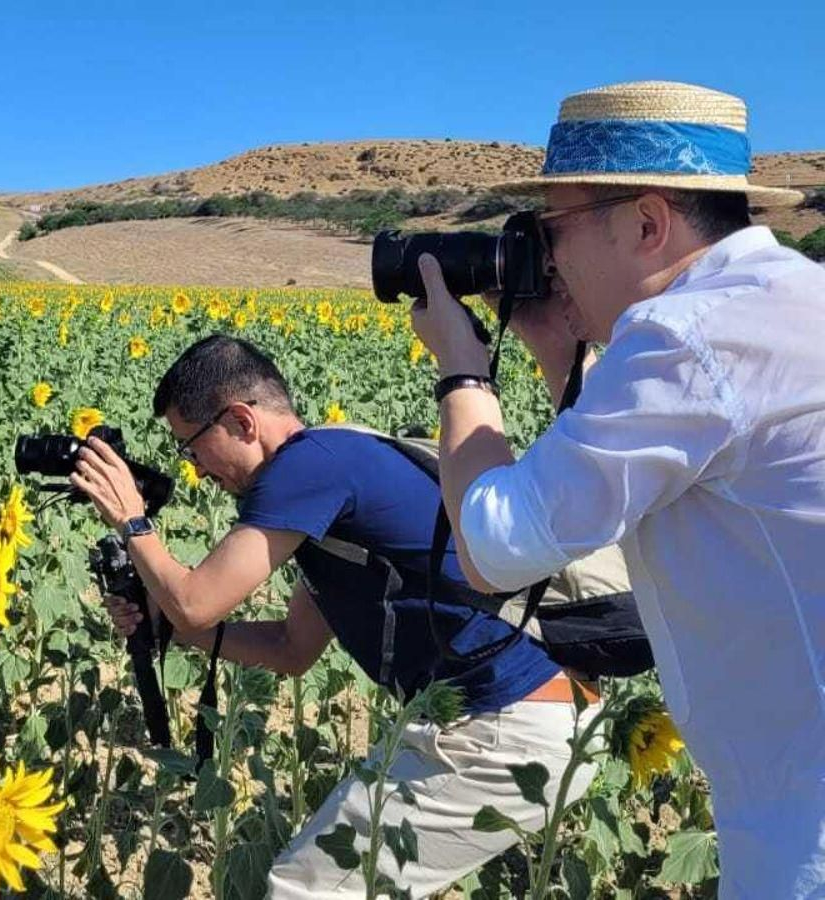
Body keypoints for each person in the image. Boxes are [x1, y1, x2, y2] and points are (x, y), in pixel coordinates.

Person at [408, 80, 825, 898]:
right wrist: (562, 357)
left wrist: (461, 370)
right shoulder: (786, 298)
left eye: (552, 229)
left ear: (646, 223)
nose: (546, 259)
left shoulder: (689, 334)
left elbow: (494, 545)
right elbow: (656, 461)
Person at [70, 334, 598, 898]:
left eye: (192, 448)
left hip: (506, 729)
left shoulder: (307, 468)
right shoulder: (329, 469)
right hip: (502, 720)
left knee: (307, 890)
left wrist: (132, 520)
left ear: (241, 421)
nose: (196, 471)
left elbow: (196, 600)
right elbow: (292, 648)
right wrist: (172, 631)